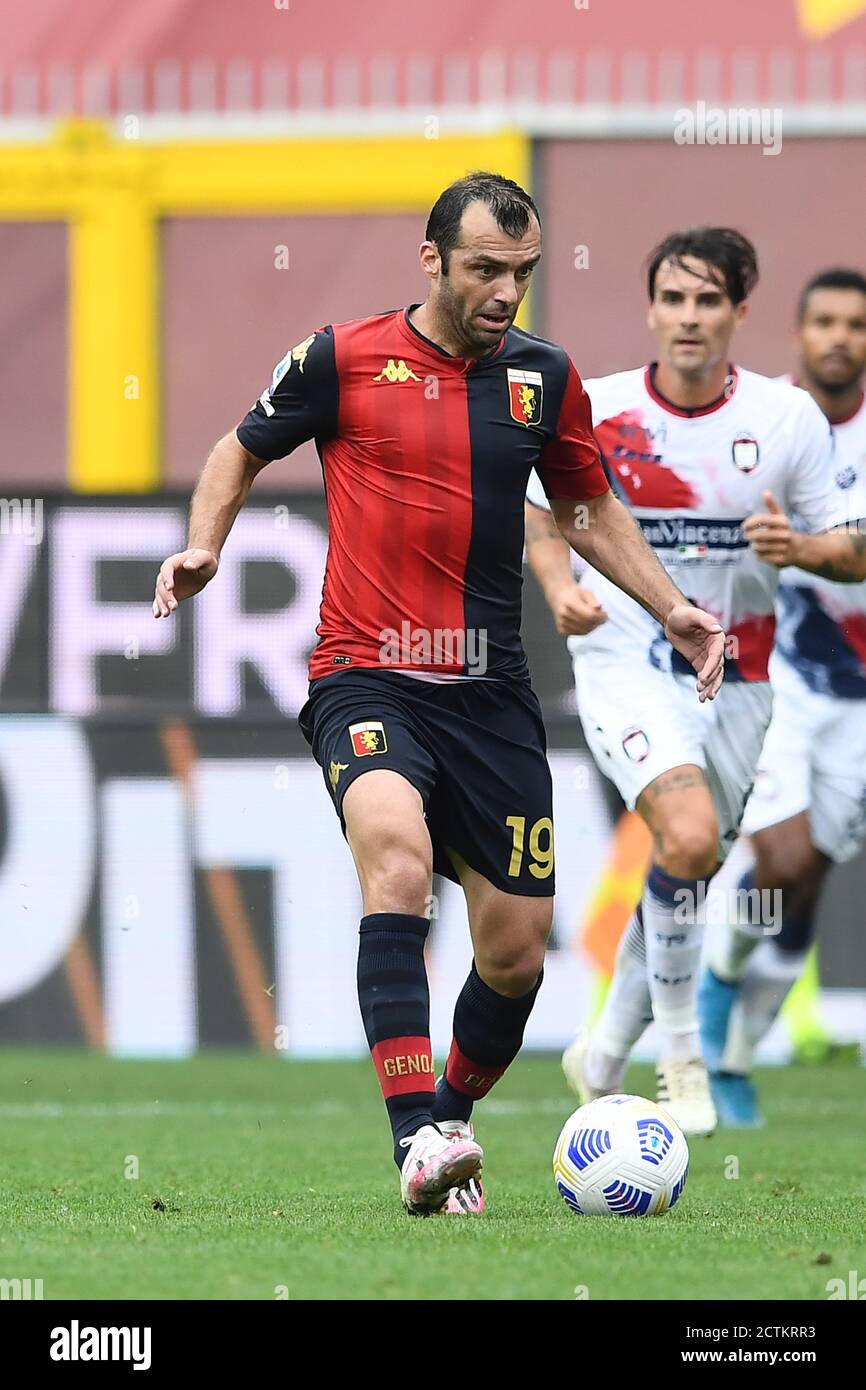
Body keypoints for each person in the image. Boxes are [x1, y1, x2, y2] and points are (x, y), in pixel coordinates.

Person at [153, 173, 725, 1215]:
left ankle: (450, 1116)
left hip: (491, 693)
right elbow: (240, 448)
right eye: (483, 270)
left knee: (513, 954)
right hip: (363, 673)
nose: (506, 292)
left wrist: (670, 606)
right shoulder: (340, 357)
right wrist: (202, 543)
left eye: (522, 272)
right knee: (398, 859)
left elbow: (585, 507)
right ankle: (414, 1135)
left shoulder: (544, 380)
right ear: (432, 262)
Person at [525, 229, 866, 1136]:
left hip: (741, 675)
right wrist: (561, 589)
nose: (688, 318)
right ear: (650, 308)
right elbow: (543, 510)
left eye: (707, 301)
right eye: (673, 299)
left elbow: (854, 547)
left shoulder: (784, 419)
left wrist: (803, 549)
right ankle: (681, 1060)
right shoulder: (592, 407)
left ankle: (600, 1054)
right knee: (683, 833)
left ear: (740, 313)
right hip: (625, 659)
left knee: (693, 863)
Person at [700, 268, 866, 1125]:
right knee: (784, 861)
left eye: (856, 324)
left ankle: (735, 1051)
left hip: (860, 695)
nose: (840, 336)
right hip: (783, 674)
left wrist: (802, 543)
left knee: (810, 886)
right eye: (825, 321)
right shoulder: (769, 422)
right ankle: (715, 1007)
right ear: (798, 334)